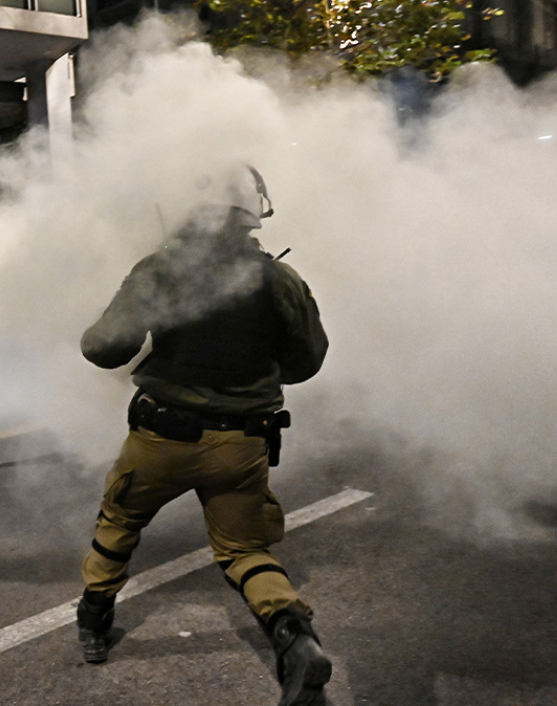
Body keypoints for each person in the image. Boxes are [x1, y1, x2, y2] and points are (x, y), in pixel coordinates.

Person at [73, 166, 330, 706]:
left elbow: (103, 349)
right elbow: (306, 363)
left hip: (160, 440)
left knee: (119, 520)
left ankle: (94, 622)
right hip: (242, 444)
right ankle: (296, 640)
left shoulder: (162, 268)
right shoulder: (279, 279)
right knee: (243, 550)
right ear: (250, 211)